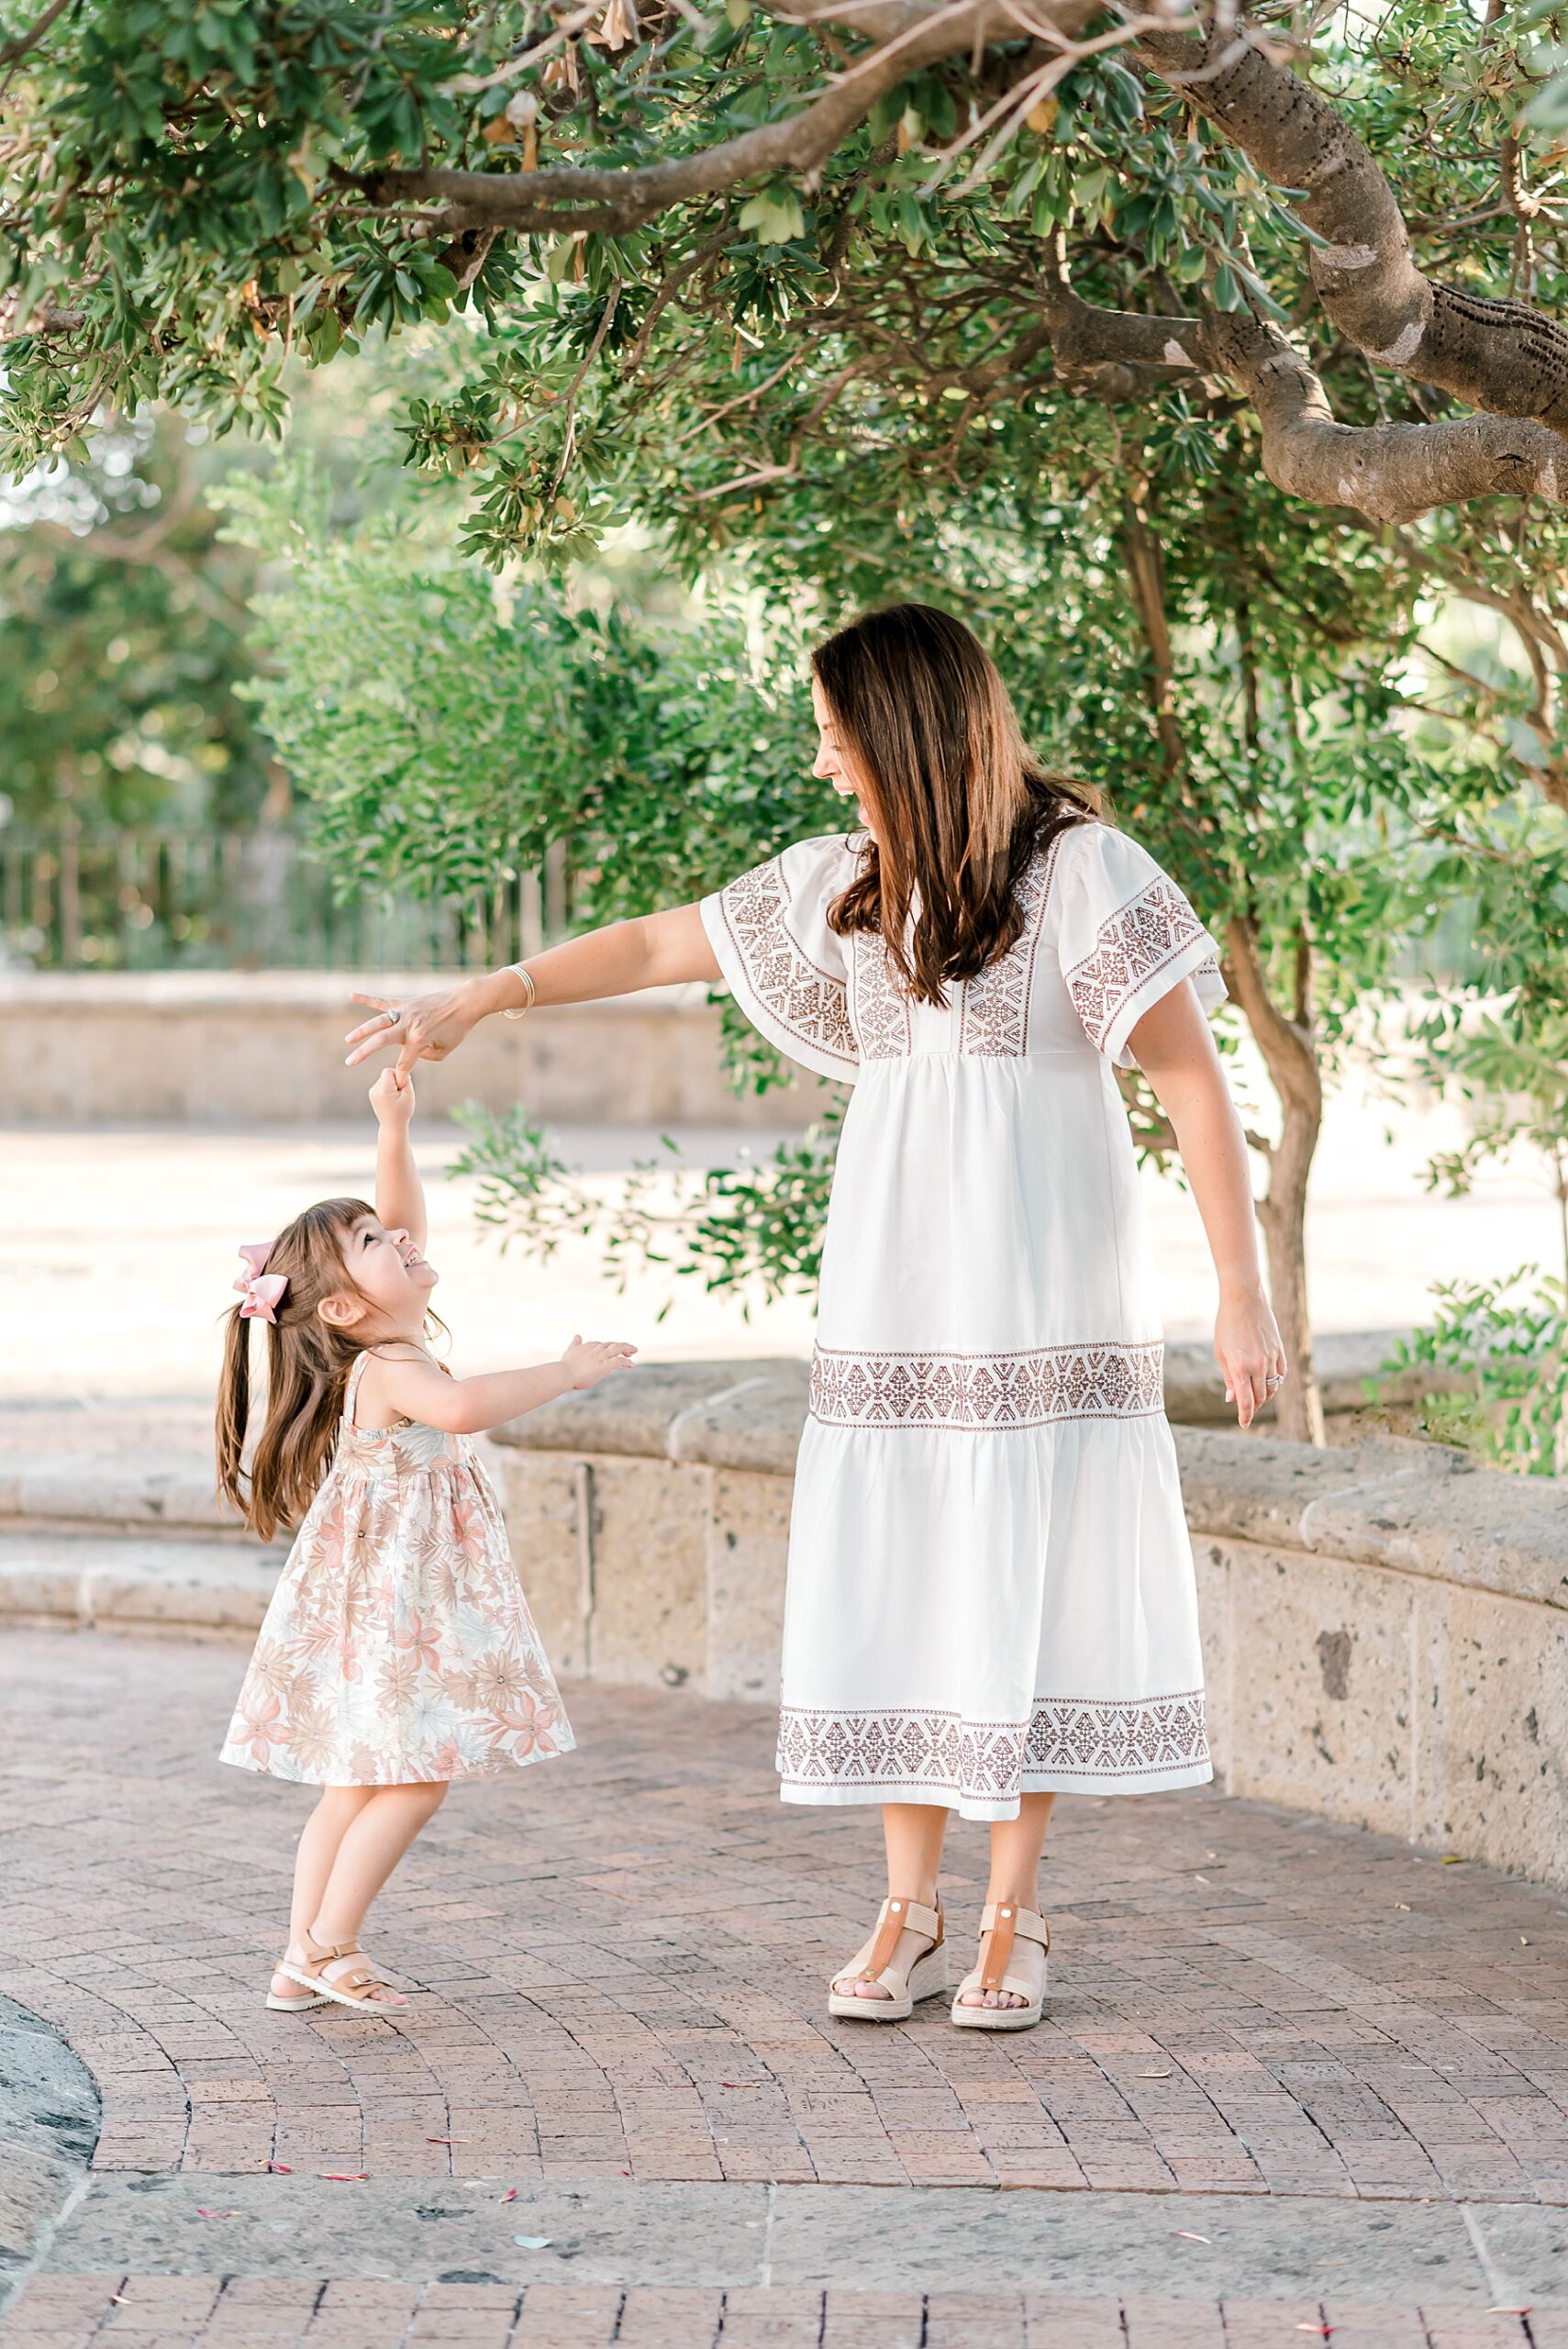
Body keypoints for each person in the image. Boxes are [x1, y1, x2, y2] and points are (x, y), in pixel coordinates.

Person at [344, 602, 1285, 2033]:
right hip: (899, 1283)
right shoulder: (844, 884)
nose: (825, 762)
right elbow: (668, 941)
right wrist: (494, 993)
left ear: (906, 733)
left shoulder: (1085, 871)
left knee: (1027, 1567)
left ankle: (1011, 1919)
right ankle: (905, 1911)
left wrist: (1237, 1289)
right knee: (911, 1569)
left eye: (840, 737)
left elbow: (1193, 1081)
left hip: (1042, 1283)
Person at [217, 1065, 636, 2012]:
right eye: (373, 1241)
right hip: (396, 1597)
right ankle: (329, 1943)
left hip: (381, 1592)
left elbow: (402, 1224)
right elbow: (462, 1403)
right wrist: (563, 1372)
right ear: (341, 1309)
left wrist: (394, 1128)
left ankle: (296, 1958)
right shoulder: (392, 1367)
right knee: (412, 1777)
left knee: (352, 1782)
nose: (400, 1239)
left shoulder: (379, 1335)